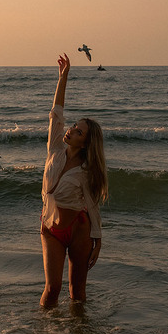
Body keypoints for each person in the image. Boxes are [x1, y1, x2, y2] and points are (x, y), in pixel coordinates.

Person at [40, 53, 108, 307]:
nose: (71, 130)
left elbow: (92, 205)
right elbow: (56, 114)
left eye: (78, 131)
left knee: (77, 292)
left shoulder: (87, 170)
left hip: (79, 230)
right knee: (52, 289)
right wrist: (63, 77)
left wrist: (97, 239)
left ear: (85, 142)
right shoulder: (55, 149)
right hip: (51, 229)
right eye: (74, 126)